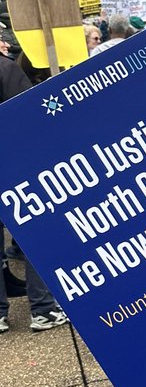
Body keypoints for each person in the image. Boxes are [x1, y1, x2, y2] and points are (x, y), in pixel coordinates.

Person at [0, 52, 69, 334]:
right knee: (35, 233)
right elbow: (24, 119)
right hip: (11, 165)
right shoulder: (5, 69)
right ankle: (44, 308)